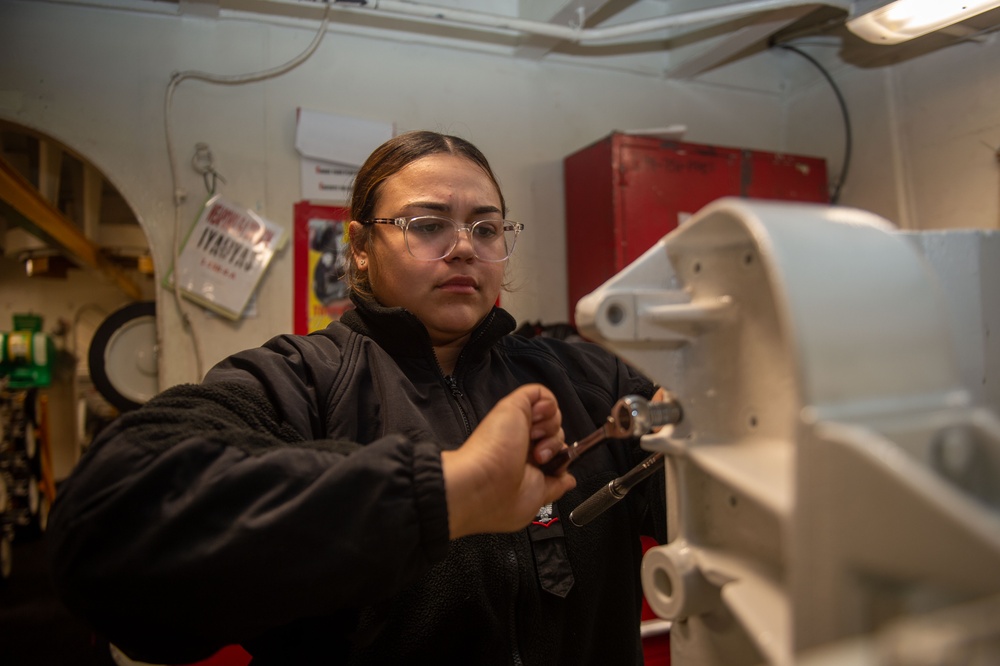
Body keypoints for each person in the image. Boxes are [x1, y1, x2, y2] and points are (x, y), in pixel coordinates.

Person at [47, 130, 666, 665]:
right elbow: (107, 525)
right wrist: (445, 493)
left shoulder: (591, 380)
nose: (463, 247)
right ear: (362, 249)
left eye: (485, 227)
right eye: (427, 225)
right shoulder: (299, 381)